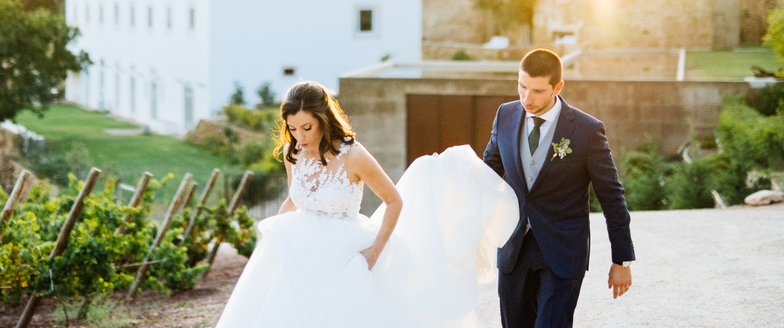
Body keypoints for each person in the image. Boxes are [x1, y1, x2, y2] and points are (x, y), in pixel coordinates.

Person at [215, 80, 519, 328]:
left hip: (343, 255)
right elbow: (294, 199)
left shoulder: (354, 155)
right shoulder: (292, 153)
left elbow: (394, 201)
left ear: (323, 118)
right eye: (292, 129)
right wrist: (275, 238)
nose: (299, 136)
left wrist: (374, 252)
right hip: (299, 253)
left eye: (306, 128)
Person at [483, 49, 635, 328]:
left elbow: (611, 196)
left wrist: (621, 260)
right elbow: (486, 173)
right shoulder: (505, 115)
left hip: (562, 251)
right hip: (513, 247)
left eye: (538, 91)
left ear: (558, 87)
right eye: (522, 86)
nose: (527, 98)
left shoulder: (587, 131)